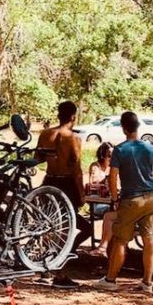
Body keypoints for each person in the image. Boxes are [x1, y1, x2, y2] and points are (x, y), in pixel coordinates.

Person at [93, 112, 153, 294]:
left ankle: (111, 279)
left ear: (123, 128)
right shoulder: (151, 149)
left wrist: (115, 198)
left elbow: (113, 176)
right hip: (151, 198)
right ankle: (147, 282)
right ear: (138, 127)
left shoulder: (120, 149)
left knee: (120, 240)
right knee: (149, 239)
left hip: (131, 199)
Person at [37, 100, 93, 289]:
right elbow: (76, 169)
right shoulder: (73, 139)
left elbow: (37, 158)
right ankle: (59, 270)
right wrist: (82, 193)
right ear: (72, 117)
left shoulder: (46, 134)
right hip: (66, 184)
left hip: (49, 181)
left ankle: (46, 269)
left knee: (50, 226)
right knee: (71, 228)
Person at [87, 143, 115, 255]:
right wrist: (107, 179)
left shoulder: (114, 167)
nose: (111, 158)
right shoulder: (96, 166)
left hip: (111, 201)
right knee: (111, 213)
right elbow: (93, 181)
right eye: (109, 155)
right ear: (103, 155)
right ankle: (106, 245)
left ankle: (112, 246)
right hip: (98, 202)